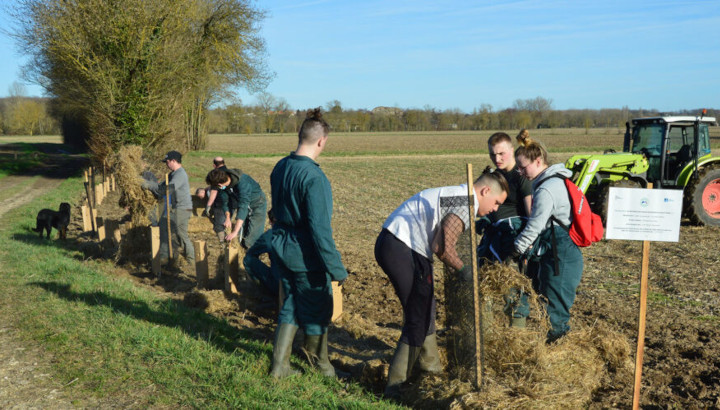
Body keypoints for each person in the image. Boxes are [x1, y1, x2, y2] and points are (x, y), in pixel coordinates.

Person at [375, 170, 509, 397]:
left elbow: (439, 244)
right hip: (402, 246)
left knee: (426, 307)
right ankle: (395, 387)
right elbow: (442, 248)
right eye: (496, 202)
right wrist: (465, 271)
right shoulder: (464, 203)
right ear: (485, 191)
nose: (495, 209)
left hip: (399, 244)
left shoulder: (458, 195)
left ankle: (430, 369)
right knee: (417, 316)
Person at [268, 108, 347, 379]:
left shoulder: (281, 166)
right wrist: (336, 268)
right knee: (316, 308)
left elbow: (275, 211)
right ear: (322, 141)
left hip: (281, 247)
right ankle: (322, 369)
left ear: (300, 136)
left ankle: (279, 367)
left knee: (290, 303)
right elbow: (319, 230)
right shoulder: (314, 178)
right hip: (305, 256)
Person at [512, 129, 584, 343]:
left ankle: (558, 346)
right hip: (558, 247)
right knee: (551, 298)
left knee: (555, 303)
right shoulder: (552, 182)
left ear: (538, 160)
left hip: (561, 251)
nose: (520, 171)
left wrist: (516, 249)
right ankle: (555, 340)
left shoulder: (547, 189)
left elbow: (535, 226)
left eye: (523, 166)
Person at [477, 132, 533, 264]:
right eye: (492, 154)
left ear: (512, 150)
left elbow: (532, 213)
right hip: (494, 235)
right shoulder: (496, 175)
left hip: (512, 239)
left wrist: (528, 242)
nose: (497, 159)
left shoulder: (522, 176)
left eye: (501, 154)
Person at [142, 150, 195, 270]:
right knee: (174, 232)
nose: (166, 164)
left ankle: (170, 259)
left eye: (167, 162)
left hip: (182, 208)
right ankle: (176, 259)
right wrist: (148, 184)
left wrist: (148, 185)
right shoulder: (172, 174)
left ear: (174, 161)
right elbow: (160, 187)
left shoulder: (180, 174)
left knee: (171, 230)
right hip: (177, 208)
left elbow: (166, 190)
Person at [205, 167, 267, 249]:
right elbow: (225, 202)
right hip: (244, 205)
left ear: (219, 185)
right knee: (242, 234)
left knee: (252, 237)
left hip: (257, 204)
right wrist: (227, 218)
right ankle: (243, 252)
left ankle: (252, 255)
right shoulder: (224, 186)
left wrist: (234, 232)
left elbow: (243, 206)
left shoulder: (243, 183)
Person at [243, 210, 280, 296]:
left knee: (248, 260)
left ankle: (264, 292)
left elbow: (251, 253)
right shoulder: (299, 232)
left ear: (270, 222)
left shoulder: (269, 235)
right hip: (303, 284)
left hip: (279, 284)